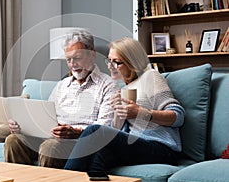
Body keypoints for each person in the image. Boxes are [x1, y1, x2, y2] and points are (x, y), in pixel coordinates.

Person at [64, 37, 185, 173]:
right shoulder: (123, 89)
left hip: (161, 147)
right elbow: (119, 131)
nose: (110, 66)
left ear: (132, 62)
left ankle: (64, 180)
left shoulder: (150, 77)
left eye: (116, 62)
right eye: (109, 61)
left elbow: (178, 116)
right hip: (135, 144)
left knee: (95, 130)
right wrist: (117, 112)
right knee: (98, 157)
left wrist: (140, 112)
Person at [4, 30, 118, 169]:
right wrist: (23, 127)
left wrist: (75, 132)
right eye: (68, 60)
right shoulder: (62, 85)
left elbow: (103, 129)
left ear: (91, 55)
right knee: (14, 140)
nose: (72, 64)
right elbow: (45, 116)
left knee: (50, 147)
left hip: (80, 143)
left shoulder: (107, 85)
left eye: (77, 58)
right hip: (52, 137)